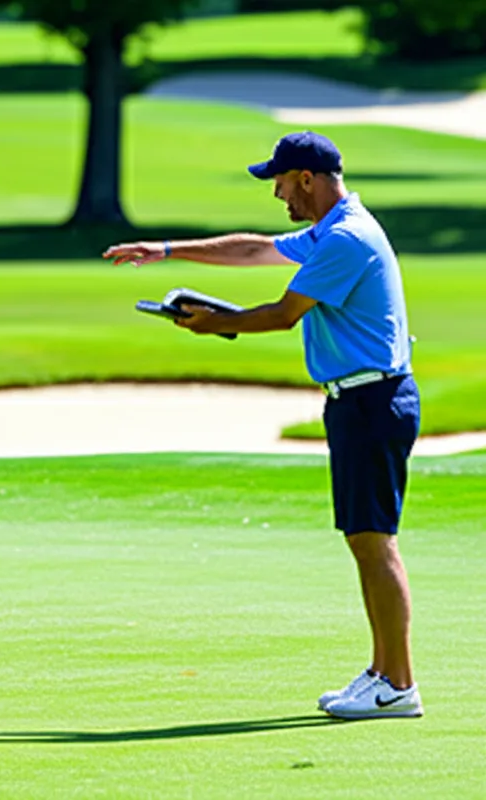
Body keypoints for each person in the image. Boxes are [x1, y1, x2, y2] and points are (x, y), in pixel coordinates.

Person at [104, 131, 422, 720]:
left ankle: (399, 684)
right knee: (365, 540)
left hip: (372, 401)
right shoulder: (331, 228)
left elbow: (282, 314)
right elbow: (254, 250)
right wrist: (166, 250)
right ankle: (382, 674)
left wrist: (215, 324)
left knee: (375, 543)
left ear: (307, 179)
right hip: (359, 402)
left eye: (280, 182)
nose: (277, 195)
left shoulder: (346, 238)